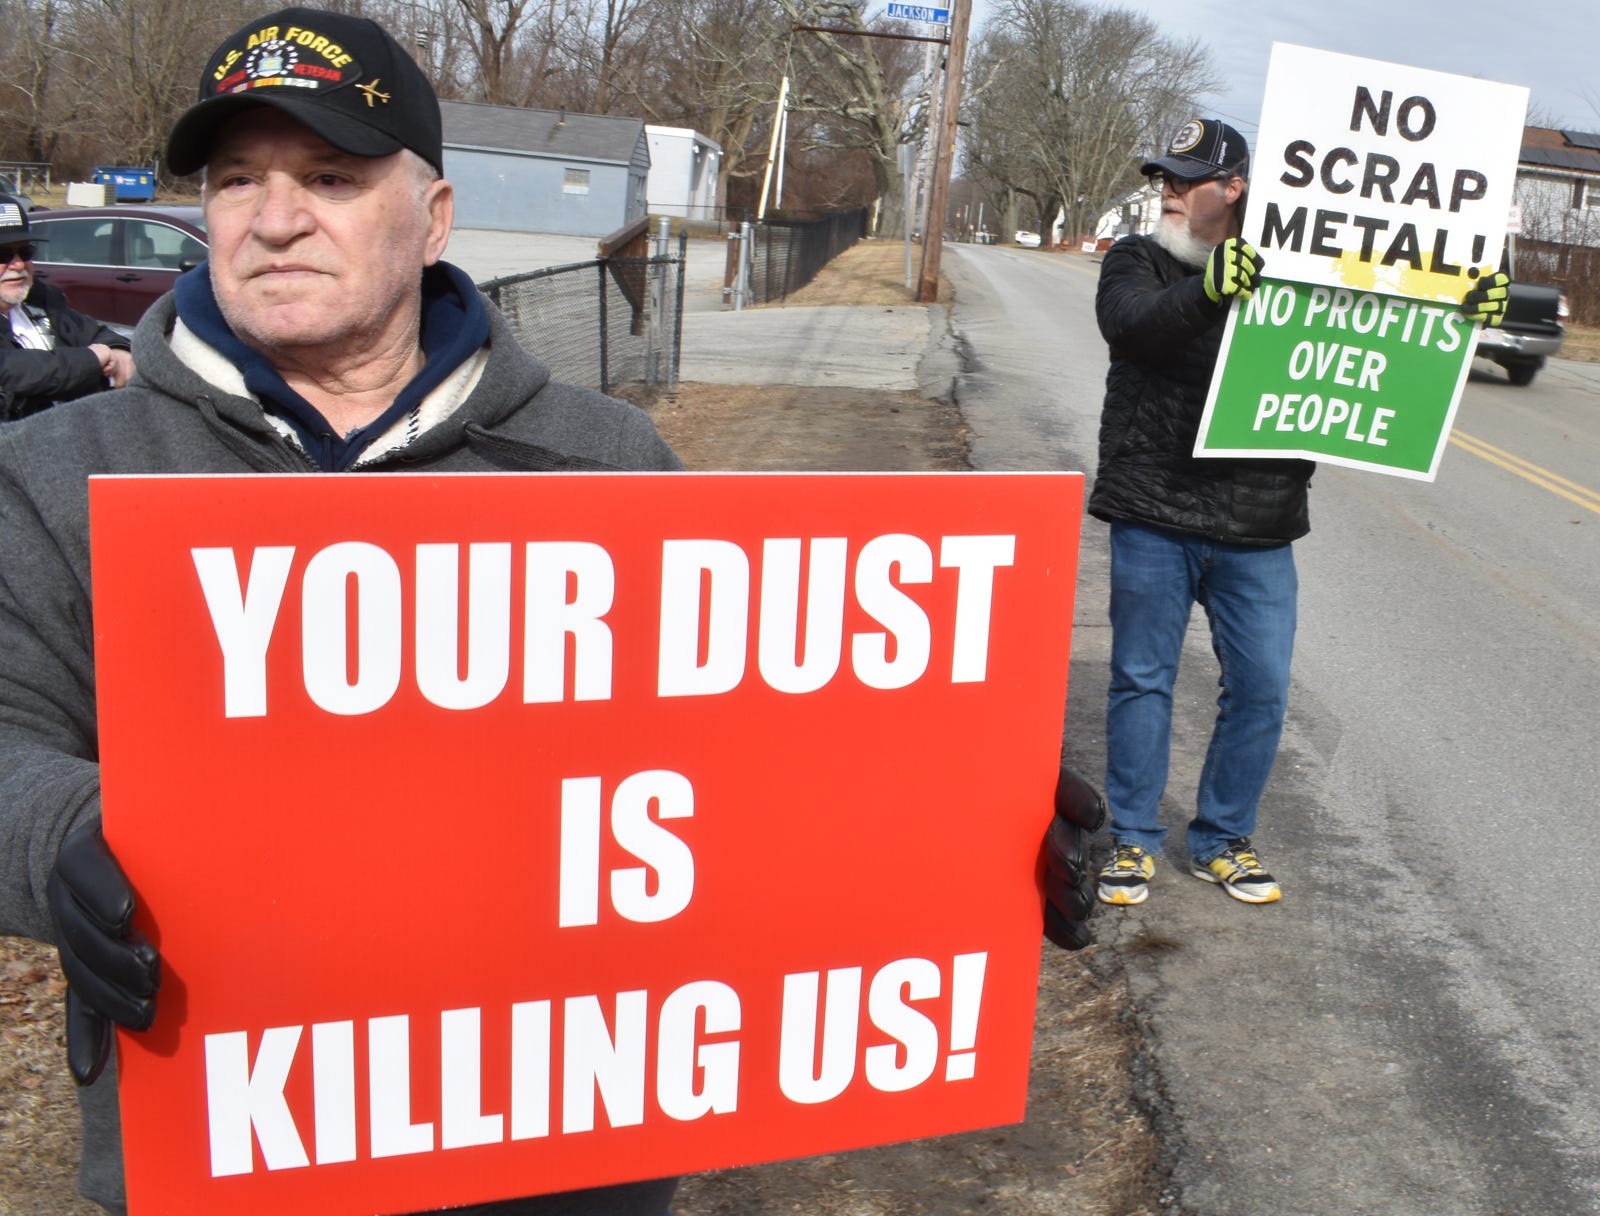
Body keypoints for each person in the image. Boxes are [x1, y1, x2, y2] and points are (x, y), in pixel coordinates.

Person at [0, 9, 1100, 1214]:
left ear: (432, 218)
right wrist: (64, 831)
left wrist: (964, 811)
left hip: (555, 1137)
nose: (273, 219)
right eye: (234, 182)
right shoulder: (67, 472)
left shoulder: (600, 456)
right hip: (235, 1127)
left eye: (329, 177)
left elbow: (732, 746)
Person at [1089, 117, 1509, 910]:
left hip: (1258, 516)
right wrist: (1210, 288)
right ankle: (1135, 841)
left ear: (1236, 188)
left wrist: (1459, 314)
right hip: (1156, 507)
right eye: (1164, 180)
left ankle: (1221, 839)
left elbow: (1384, 332)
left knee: (1262, 687)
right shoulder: (1138, 258)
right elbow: (1130, 326)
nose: (1169, 194)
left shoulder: (1299, 270)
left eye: (1186, 181)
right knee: (1142, 678)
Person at [0, 195, 135, 419]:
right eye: (3, 254)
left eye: (25, 252)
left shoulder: (40, 302)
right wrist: (91, 361)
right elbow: (13, 370)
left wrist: (119, 351)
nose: (19, 264)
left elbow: (94, 332)